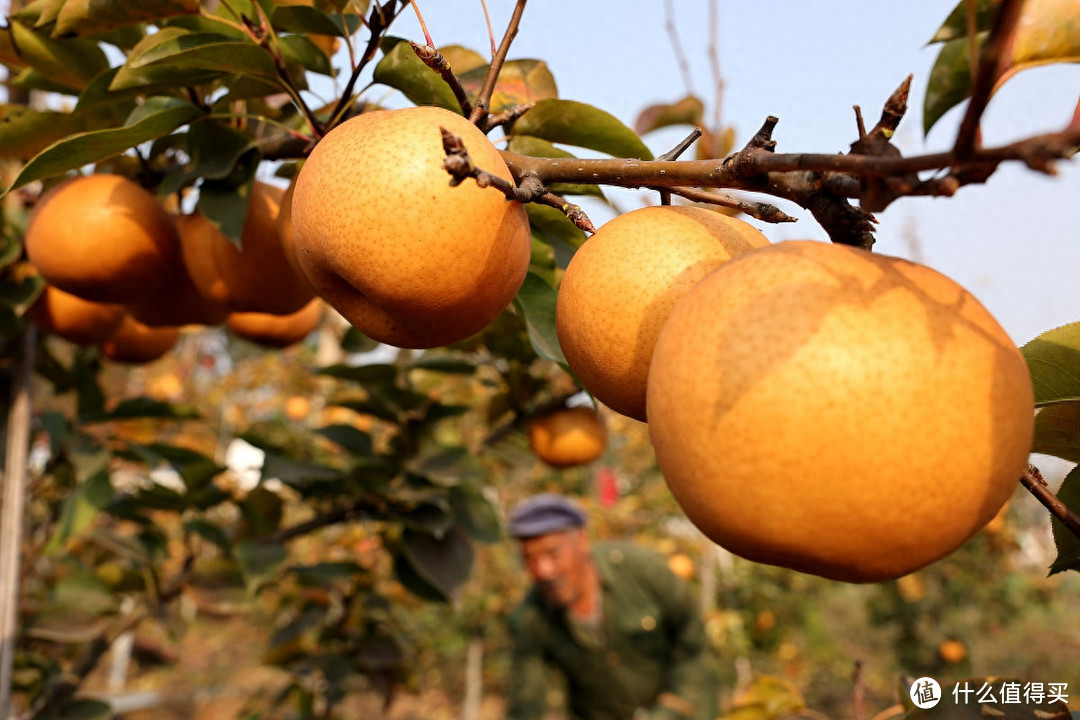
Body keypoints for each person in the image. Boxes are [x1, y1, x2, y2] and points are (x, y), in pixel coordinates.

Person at [505, 493, 714, 720]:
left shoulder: (642, 572)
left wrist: (673, 706)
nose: (543, 570)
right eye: (530, 559)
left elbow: (693, 637)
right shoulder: (532, 618)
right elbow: (526, 701)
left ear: (582, 541)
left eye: (553, 554)